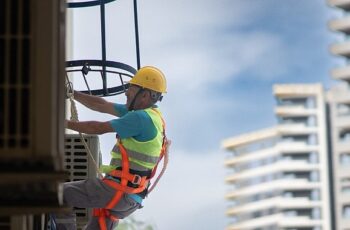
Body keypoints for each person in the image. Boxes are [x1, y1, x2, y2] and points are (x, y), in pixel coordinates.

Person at [56, 66, 168, 230]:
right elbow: (102, 105)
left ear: (144, 95)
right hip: (131, 197)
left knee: (60, 195)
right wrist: (73, 93)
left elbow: (96, 128)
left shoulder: (140, 118)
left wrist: (60, 122)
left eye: (131, 88)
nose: (126, 93)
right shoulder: (151, 117)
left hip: (119, 191)